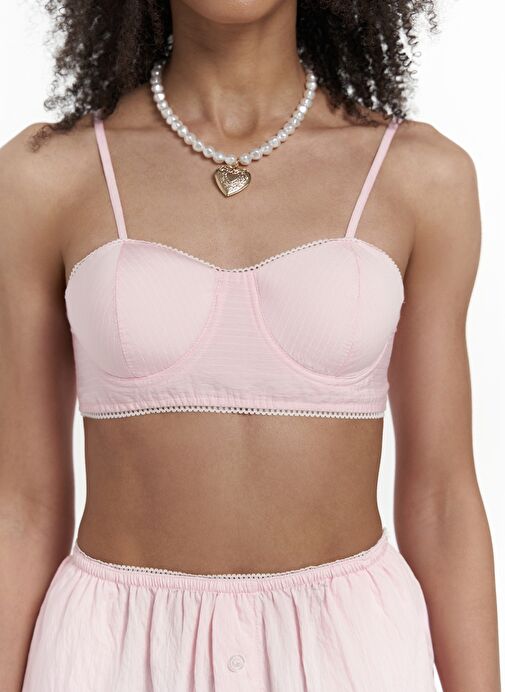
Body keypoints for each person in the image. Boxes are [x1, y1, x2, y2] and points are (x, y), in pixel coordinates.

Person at [0, 0, 500, 690]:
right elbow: (22, 506)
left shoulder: (422, 176)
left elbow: (442, 499)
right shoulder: (45, 174)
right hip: (111, 654)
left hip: (351, 653)